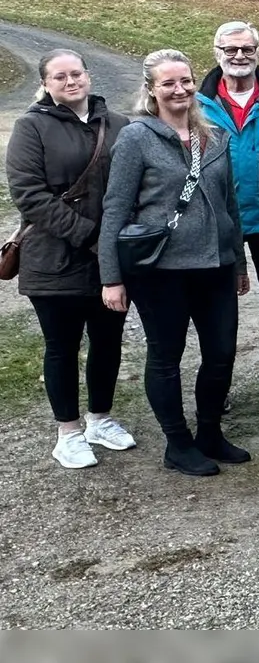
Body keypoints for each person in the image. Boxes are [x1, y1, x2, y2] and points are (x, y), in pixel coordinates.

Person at [99, 49, 253, 477]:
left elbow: (229, 204)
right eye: (168, 83)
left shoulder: (214, 137)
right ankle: (178, 443)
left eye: (185, 81)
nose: (179, 89)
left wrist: (238, 262)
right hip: (160, 270)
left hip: (216, 267)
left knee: (221, 353)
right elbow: (116, 208)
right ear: (151, 90)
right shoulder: (136, 138)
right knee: (166, 356)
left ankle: (210, 433)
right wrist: (111, 277)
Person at [6, 50, 131, 469]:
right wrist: (89, 234)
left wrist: (117, 240)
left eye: (76, 73)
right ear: (46, 83)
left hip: (108, 259)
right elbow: (29, 195)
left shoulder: (118, 124)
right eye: (59, 76)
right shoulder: (31, 127)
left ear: (88, 76)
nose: (70, 81)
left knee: (108, 340)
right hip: (54, 258)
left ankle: (100, 419)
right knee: (62, 346)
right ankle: (68, 433)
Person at [195, 21, 259, 404]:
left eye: (247, 49)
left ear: (258, 52)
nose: (239, 56)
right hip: (218, 220)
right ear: (216, 52)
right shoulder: (197, 104)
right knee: (218, 309)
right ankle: (217, 384)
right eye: (231, 49)